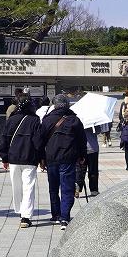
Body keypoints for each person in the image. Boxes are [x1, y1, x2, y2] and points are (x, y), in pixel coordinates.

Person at [41, 93, 86, 227]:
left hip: (51, 158)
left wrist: (41, 158)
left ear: (54, 105)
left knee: (53, 188)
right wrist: (82, 156)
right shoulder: (74, 120)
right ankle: (65, 217)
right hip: (68, 158)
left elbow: (40, 140)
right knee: (67, 188)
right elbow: (82, 140)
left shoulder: (47, 120)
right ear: (67, 104)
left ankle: (56, 215)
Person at [0, 93, 41, 228]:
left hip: (13, 158)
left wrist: (4, 157)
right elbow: (38, 142)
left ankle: (20, 210)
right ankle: (25, 216)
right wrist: (41, 157)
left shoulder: (11, 119)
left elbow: (4, 139)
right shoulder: (34, 120)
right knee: (29, 186)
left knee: (16, 186)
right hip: (29, 158)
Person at [80, 127, 100, 196]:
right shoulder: (93, 123)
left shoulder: (77, 123)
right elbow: (98, 131)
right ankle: (94, 189)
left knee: (81, 170)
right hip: (92, 148)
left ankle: (78, 187)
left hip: (81, 149)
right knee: (93, 170)